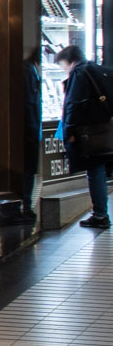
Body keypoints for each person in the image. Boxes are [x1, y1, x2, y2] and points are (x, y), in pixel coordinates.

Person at [58, 43, 111, 230]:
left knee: (94, 171)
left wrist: (69, 131)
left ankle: (100, 215)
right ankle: (101, 213)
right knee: (99, 170)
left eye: (62, 65)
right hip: (104, 130)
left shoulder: (80, 73)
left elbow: (74, 104)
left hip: (90, 133)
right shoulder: (96, 69)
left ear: (69, 61)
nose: (63, 69)